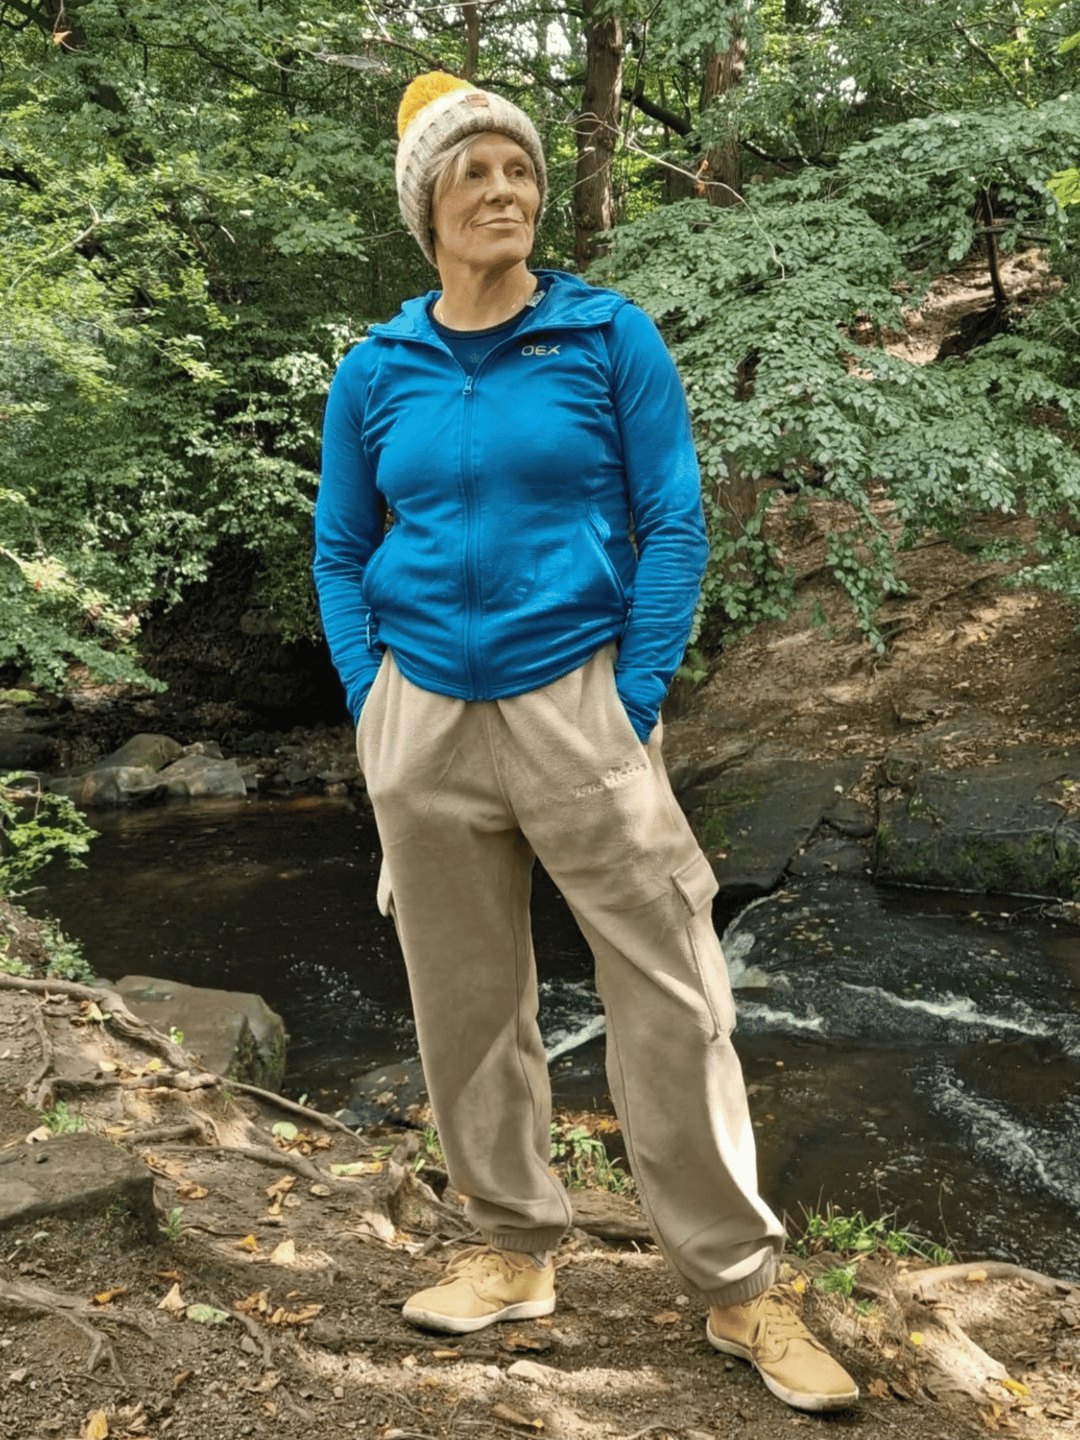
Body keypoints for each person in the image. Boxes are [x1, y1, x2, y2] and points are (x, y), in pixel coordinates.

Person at [314, 71, 859, 1413]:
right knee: (463, 1006)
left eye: (522, 172)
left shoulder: (609, 336)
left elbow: (672, 519)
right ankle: (512, 1247)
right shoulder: (377, 371)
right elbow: (339, 549)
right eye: (475, 176)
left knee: (672, 996)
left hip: (580, 701)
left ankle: (739, 1291)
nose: (507, 193)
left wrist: (635, 693)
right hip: (423, 720)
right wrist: (373, 700)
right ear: (426, 209)